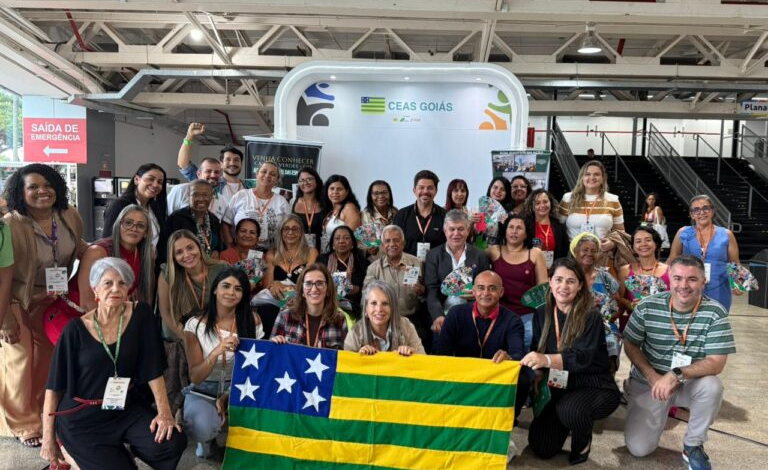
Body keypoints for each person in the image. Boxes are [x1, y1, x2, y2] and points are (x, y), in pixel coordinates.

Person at [41, 257, 186, 470]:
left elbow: (152, 367)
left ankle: (117, 453)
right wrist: (48, 438)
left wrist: (164, 413)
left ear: (128, 288)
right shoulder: (75, 330)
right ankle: (72, 455)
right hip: (83, 418)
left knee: (171, 442)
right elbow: (54, 387)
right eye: (108, 283)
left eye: (122, 283)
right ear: (95, 290)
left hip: (124, 409)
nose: (116, 289)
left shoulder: (141, 314)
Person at [0, 163, 87, 447]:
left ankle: (41, 410)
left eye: (48, 185)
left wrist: (99, 253)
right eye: (33, 187)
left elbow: (79, 246)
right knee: (19, 359)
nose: (42, 191)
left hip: (53, 297)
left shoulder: (69, 214)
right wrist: (5, 317)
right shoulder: (11, 224)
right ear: (20, 191)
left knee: (47, 358)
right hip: (16, 298)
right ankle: (21, 423)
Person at [623, 255, 736, 470]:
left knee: (712, 386)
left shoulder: (715, 312)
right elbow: (630, 344)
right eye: (677, 278)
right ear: (669, 279)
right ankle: (636, 393)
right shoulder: (647, 306)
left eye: (692, 279)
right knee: (639, 449)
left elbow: (716, 362)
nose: (684, 285)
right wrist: (653, 377)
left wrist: (676, 374)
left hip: (687, 382)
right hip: (650, 383)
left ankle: (693, 445)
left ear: (704, 281)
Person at [522, 258, 621, 466]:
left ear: (580, 286)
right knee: (541, 447)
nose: (563, 286)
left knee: (570, 411)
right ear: (550, 282)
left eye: (570, 281)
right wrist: (538, 374)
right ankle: (566, 418)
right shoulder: (541, 313)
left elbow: (582, 358)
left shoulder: (590, 316)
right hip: (559, 383)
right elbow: (537, 347)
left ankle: (582, 440)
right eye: (558, 280)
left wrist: (545, 359)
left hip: (593, 384)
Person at [432, 270, 529, 459]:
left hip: (494, 378)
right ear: (473, 291)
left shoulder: (513, 320)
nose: (486, 293)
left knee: (524, 376)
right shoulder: (456, 313)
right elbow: (442, 353)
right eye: (481, 288)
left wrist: (508, 356)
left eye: (492, 289)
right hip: (463, 376)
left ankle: (505, 425)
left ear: (501, 292)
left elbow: (518, 355)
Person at [182, 267, 264, 458]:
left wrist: (229, 394)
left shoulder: (253, 320)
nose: (231, 292)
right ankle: (207, 440)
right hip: (204, 388)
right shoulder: (195, 324)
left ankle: (240, 440)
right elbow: (195, 376)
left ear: (243, 295)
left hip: (240, 387)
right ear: (215, 290)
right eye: (225, 286)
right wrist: (215, 352)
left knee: (264, 417)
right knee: (200, 426)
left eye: (238, 289)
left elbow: (257, 368)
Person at [45, 205, 155, 345]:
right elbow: (87, 302)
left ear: (146, 232)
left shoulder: (146, 255)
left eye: (140, 225)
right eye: (128, 223)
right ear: (119, 225)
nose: (134, 228)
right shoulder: (98, 252)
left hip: (107, 318)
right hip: (69, 316)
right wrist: (115, 333)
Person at [668, 194, 740, 311]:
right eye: (696, 210)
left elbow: (734, 263)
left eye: (705, 208)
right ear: (692, 214)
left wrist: (737, 284)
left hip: (719, 288)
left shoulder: (726, 234)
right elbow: (671, 261)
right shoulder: (683, 233)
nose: (701, 212)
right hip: (688, 288)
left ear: (712, 211)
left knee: (716, 318)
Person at [425, 209, 491, 334]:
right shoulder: (433, 255)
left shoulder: (480, 256)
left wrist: (476, 294)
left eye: (461, 229)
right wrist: (438, 316)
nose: (456, 234)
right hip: (443, 315)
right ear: (445, 231)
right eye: (452, 229)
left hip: (473, 314)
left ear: (468, 230)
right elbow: (432, 290)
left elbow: (486, 287)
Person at [487, 214, 548, 350]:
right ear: (505, 231)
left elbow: (543, 289)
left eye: (519, 228)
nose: (514, 231)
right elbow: (475, 263)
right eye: (511, 227)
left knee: (524, 350)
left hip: (527, 313)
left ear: (526, 234)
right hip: (499, 312)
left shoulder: (535, 253)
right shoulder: (494, 251)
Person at [157, 229, 229, 341]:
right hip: (180, 335)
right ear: (173, 257)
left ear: (199, 247)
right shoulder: (168, 274)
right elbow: (166, 313)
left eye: (190, 248)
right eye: (179, 252)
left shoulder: (221, 268)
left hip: (213, 333)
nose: (186, 255)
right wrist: (189, 340)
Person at [363, 225, 428, 342]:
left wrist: (423, 291)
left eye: (396, 240)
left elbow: (428, 292)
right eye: (387, 241)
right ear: (382, 245)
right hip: (383, 319)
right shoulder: (373, 268)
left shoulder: (417, 263)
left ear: (403, 243)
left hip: (412, 318)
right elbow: (366, 297)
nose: (392, 244)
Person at [261, 214, 319, 336]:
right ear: (281, 232)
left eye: (295, 229)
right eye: (286, 229)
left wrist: (285, 286)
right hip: (276, 301)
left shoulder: (311, 252)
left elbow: (309, 282)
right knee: (266, 309)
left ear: (301, 232)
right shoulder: (271, 254)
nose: (290, 232)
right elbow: (267, 286)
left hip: (301, 300)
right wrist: (274, 284)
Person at [271, 263, 348, 349]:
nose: (314, 289)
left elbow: (345, 356)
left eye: (320, 283)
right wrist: (273, 343)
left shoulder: (340, 319)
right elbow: (271, 353)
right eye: (308, 284)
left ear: (328, 290)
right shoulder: (285, 316)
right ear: (302, 291)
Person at [177, 123, 246, 211]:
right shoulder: (211, 181)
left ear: (241, 163)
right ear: (221, 164)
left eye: (236, 160)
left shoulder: (249, 187)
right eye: (228, 160)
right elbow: (183, 164)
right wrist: (189, 136)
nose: (232, 163)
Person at [558, 160, 625, 250]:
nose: (592, 177)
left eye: (596, 174)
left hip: (601, 253)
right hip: (574, 252)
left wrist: (613, 243)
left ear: (603, 178)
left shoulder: (613, 200)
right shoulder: (568, 198)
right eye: (587, 174)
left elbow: (620, 231)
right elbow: (558, 227)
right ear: (582, 177)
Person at [344, 281, 425, 355]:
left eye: (385, 303)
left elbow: (423, 360)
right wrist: (358, 357)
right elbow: (346, 365)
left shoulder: (406, 326)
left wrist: (413, 353)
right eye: (373, 303)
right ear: (365, 309)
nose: (379, 309)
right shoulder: (355, 333)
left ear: (393, 308)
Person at [224, 161, 290, 250]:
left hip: (271, 253)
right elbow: (226, 223)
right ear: (257, 174)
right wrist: (230, 246)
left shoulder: (282, 202)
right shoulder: (241, 196)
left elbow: (287, 229)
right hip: (241, 251)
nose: (267, 175)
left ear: (277, 180)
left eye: (272, 174)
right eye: (264, 171)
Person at [617, 227, 670, 331]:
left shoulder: (670, 271)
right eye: (638, 241)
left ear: (656, 244)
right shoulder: (625, 270)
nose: (643, 244)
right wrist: (630, 304)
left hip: (662, 326)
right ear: (633, 247)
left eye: (648, 240)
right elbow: (619, 300)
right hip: (633, 325)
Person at [104, 163, 167, 249]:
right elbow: (108, 241)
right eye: (150, 179)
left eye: (159, 182)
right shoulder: (119, 205)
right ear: (137, 179)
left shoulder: (156, 207)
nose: (155, 185)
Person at [160, 180, 222, 265]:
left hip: (208, 267)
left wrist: (217, 251)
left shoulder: (214, 220)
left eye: (205, 195)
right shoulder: (176, 218)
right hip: (184, 268)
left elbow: (219, 244)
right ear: (189, 196)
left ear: (211, 197)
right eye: (196, 195)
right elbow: (166, 249)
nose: (201, 199)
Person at [317, 225, 369, 320]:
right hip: (326, 305)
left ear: (352, 243)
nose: (341, 241)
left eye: (346, 238)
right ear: (332, 243)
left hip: (353, 307)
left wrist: (355, 289)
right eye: (337, 238)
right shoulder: (322, 260)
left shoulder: (362, 262)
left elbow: (367, 288)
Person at [393, 170, 447, 258]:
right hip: (408, 265)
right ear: (414, 190)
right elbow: (395, 243)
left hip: (436, 265)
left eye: (430, 188)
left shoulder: (445, 216)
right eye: (421, 187)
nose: (425, 191)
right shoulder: (402, 215)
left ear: (436, 191)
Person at [167, 158, 226, 223]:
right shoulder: (181, 190)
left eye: (217, 172)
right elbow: (166, 215)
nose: (213, 175)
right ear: (199, 174)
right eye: (208, 171)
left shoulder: (222, 201)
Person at [523, 188, 569, 267]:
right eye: (537, 203)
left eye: (545, 202)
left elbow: (564, 251)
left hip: (554, 268)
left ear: (550, 203)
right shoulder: (525, 225)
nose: (542, 205)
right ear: (532, 206)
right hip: (531, 268)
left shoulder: (559, 226)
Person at [219, 217, 264, 291]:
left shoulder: (261, 257)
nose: (247, 235)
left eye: (252, 232)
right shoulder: (225, 256)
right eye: (243, 231)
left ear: (257, 238)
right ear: (236, 234)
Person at [319, 174, 362, 252]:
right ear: (327, 191)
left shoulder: (349, 208)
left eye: (339, 189)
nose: (335, 192)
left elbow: (352, 238)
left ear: (347, 192)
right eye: (332, 189)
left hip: (343, 255)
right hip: (327, 254)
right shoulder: (330, 209)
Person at [361, 180, 397, 259]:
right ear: (370, 196)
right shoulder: (364, 216)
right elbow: (360, 245)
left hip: (395, 261)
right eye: (376, 193)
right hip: (374, 263)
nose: (380, 196)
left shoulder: (396, 212)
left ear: (389, 194)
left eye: (384, 192)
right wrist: (368, 251)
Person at [291, 167, 325, 250]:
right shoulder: (292, 202)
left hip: (321, 251)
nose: (305, 183)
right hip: (298, 250)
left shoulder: (326, 203)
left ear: (317, 181)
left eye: (309, 179)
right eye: (301, 180)